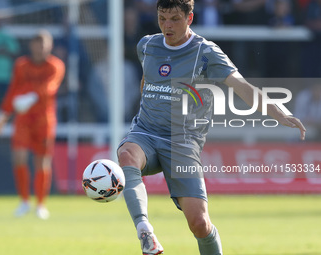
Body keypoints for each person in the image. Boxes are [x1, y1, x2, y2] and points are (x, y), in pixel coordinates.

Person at [117, 1, 306, 254]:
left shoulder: (205, 52)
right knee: (127, 154)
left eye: (174, 18)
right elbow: (147, 79)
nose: (167, 25)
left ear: (190, 18)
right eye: (162, 18)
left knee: (199, 224)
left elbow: (241, 86)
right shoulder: (148, 45)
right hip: (146, 133)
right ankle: (145, 231)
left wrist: (279, 112)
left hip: (183, 143)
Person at [0, 30, 65, 220]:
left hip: (44, 120)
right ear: (31, 45)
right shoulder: (21, 65)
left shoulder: (55, 66)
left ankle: (41, 204)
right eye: (38, 44)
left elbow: (50, 88)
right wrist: (2, 116)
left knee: (41, 161)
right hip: (23, 120)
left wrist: (30, 98)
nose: (41, 48)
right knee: (19, 157)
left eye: (44, 44)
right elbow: (12, 90)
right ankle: (24, 201)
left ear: (49, 46)